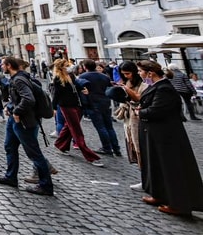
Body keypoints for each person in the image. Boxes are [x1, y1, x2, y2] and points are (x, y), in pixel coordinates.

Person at [135, 60, 203, 216]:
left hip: (166, 135)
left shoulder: (164, 88)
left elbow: (157, 110)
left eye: (141, 71)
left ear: (150, 73)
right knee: (157, 165)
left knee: (171, 168)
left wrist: (141, 112)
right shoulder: (156, 87)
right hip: (155, 133)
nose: (140, 74)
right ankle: (160, 195)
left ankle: (178, 204)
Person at [0, 56, 54, 196]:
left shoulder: (19, 79)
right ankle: (11, 177)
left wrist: (17, 111)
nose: (1, 67)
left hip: (24, 121)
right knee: (9, 146)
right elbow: (19, 98)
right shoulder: (18, 78)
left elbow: (28, 99)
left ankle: (46, 185)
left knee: (34, 153)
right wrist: (10, 107)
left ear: (9, 65)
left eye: (3, 65)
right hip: (15, 120)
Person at [51, 59, 103, 166]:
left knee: (68, 126)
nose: (69, 67)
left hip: (77, 104)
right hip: (66, 106)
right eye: (67, 65)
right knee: (76, 130)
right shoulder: (57, 79)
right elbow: (56, 94)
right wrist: (54, 108)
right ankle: (90, 157)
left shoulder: (71, 75)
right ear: (61, 68)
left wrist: (84, 89)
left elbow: (76, 85)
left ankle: (60, 144)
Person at [110, 61, 149, 190]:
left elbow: (139, 99)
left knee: (141, 148)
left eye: (128, 73)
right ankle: (144, 178)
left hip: (138, 119)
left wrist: (126, 90)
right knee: (133, 147)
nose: (126, 76)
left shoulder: (143, 84)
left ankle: (147, 179)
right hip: (128, 120)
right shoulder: (127, 82)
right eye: (124, 74)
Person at [76, 59, 122, 157]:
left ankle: (107, 148)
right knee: (109, 126)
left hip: (93, 103)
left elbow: (81, 90)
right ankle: (116, 148)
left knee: (101, 127)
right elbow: (109, 87)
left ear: (85, 67)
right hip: (105, 102)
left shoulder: (83, 77)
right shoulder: (104, 76)